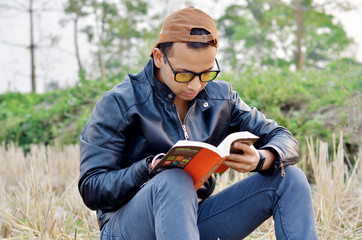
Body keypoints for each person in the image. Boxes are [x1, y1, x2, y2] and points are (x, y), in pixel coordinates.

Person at [79, 6, 318, 240]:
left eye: (206, 73)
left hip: (193, 221)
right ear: (159, 57)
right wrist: (148, 168)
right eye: (184, 74)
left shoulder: (221, 98)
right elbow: (92, 187)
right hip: (127, 228)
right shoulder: (120, 102)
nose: (195, 85)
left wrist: (262, 158)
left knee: (290, 179)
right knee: (173, 178)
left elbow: (283, 137)